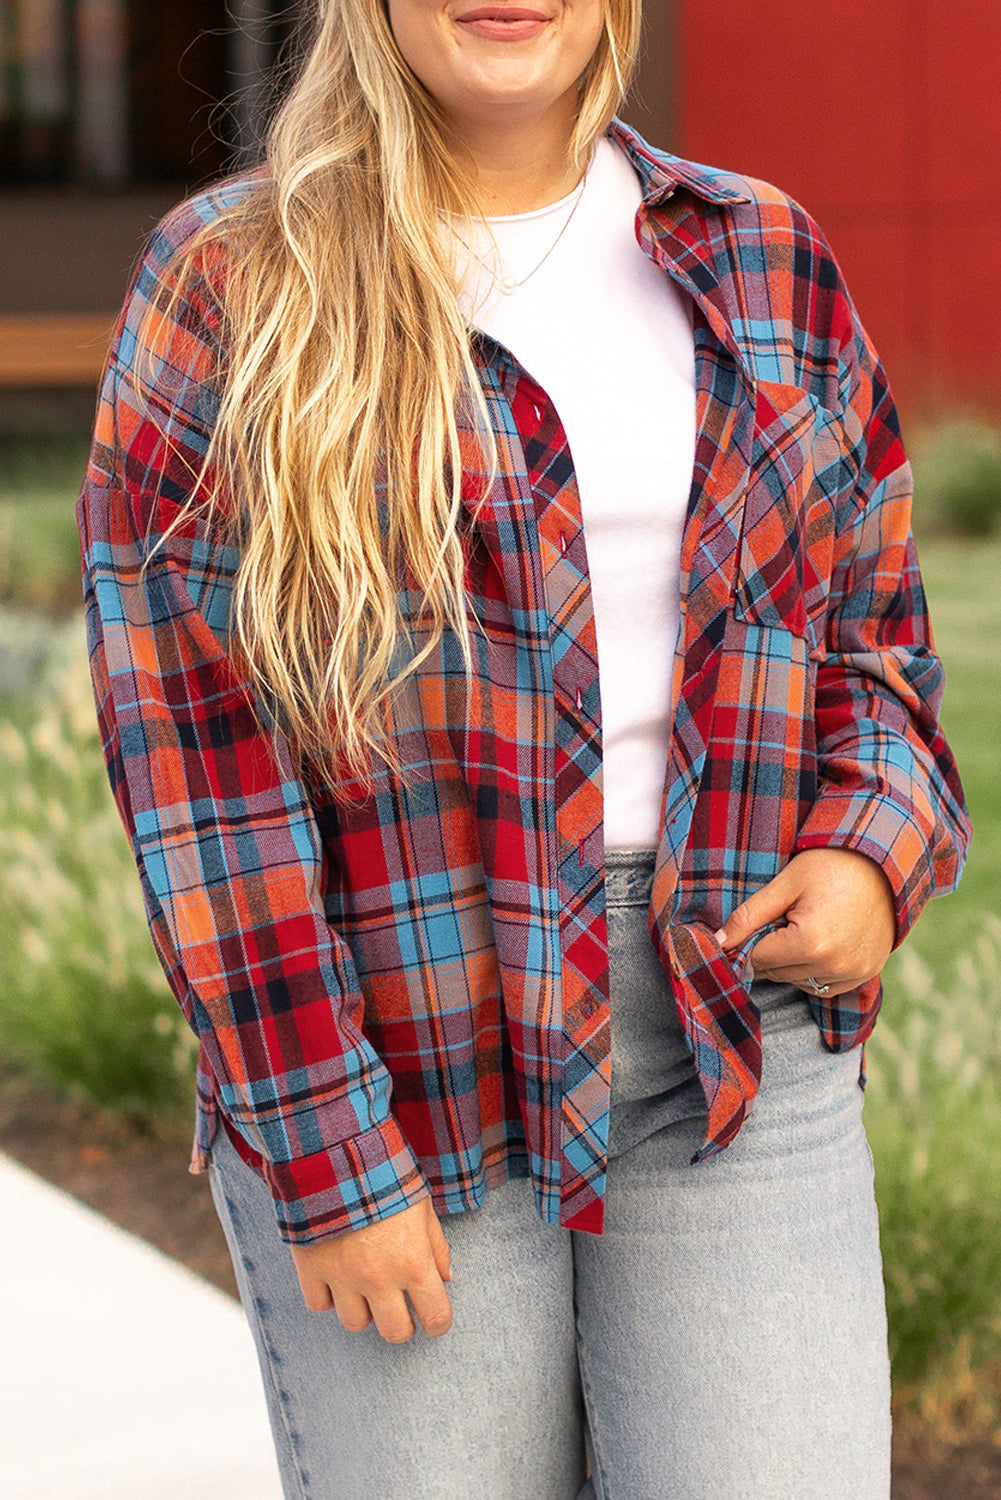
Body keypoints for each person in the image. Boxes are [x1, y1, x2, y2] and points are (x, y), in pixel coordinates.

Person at [78, 0, 969, 1496]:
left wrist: (872, 848)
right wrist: (322, 1147)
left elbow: (874, 629)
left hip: (728, 1049)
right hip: (409, 1063)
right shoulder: (232, 282)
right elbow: (193, 763)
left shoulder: (762, 254)